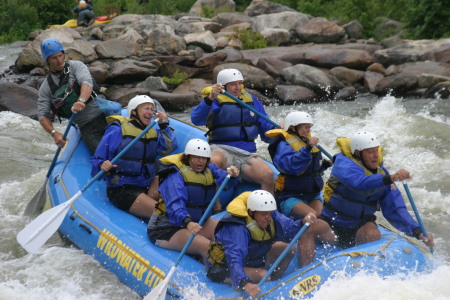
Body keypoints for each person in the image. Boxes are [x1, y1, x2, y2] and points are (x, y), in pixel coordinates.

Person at [206, 190, 336, 298]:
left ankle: (274, 284)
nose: (267, 218)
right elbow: (234, 259)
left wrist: (302, 223)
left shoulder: (270, 215)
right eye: (263, 214)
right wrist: (245, 283)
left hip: (252, 258)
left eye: (269, 214)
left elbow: (289, 229)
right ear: (251, 212)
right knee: (263, 275)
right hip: (225, 267)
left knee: (288, 249)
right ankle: (267, 289)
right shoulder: (237, 228)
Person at [321, 131, 434, 249]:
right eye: (370, 152)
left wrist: (417, 232)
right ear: (357, 153)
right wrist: (391, 178)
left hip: (359, 224)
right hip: (331, 221)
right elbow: (359, 182)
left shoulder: (383, 175)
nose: (376, 155)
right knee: (312, 229)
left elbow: (395, 209)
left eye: (376, 150)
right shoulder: (343, 165)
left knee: (373, 234)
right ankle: (304, 266)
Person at [148, 139, 240, 263]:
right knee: (209, 247)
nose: (200, 161)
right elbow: (175, 206)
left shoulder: (210, 170)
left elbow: (225, 180)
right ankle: (216, 273)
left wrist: (232, 175)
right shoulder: (176, 176)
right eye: (196, 157)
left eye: (203, 158)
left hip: (197, 222)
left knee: (231, 234)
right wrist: (187, 222)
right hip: (168, 228)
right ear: (188, 158)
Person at [191, 68, 276, 195]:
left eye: (239, 83)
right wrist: (209, 99)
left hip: (247, 153)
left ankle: (269, 212)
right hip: (222, 148)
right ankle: (216, 207)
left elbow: (266, 132)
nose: (238, 88)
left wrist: (278, 131)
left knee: (268, 174)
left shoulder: (251, 101)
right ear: (223, 86)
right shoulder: (216, 100)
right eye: (233, 84)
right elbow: (197, 120)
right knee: (214, 161)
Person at [90, 95, 176, 219]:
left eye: (152, 109)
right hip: (123, 189)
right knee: (169, 215)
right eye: (146, 108)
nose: (150, 112)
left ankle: (152, 202)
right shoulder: (117, 130)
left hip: (147, 185)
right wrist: (102, 165)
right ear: (134, 111)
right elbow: (97, 159)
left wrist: (163, 125)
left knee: (169, 173)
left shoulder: (152, 131)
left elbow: (169, 148)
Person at [37, 37, 106, 154]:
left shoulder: (76, 66)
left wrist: (81, 100)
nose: (59, 60)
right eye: (54, 58)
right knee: (100, 154)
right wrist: (54, 133)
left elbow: (86, 82)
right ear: (47, 61)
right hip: (86, 124)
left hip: (102, 110)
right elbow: (42, 115)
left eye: (60, 56)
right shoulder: (46, 87)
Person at [266, 111, 332, 219]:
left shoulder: (307, 142)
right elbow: (291, 166)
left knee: (322, 216)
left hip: (311, 194)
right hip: (290, 196)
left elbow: (312, 172)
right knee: (313, 217)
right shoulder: (283, 144)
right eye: (306, 127)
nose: (309, 130)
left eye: (309, 127)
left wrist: (325, 165)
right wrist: (307, 148)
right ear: (293, 128)